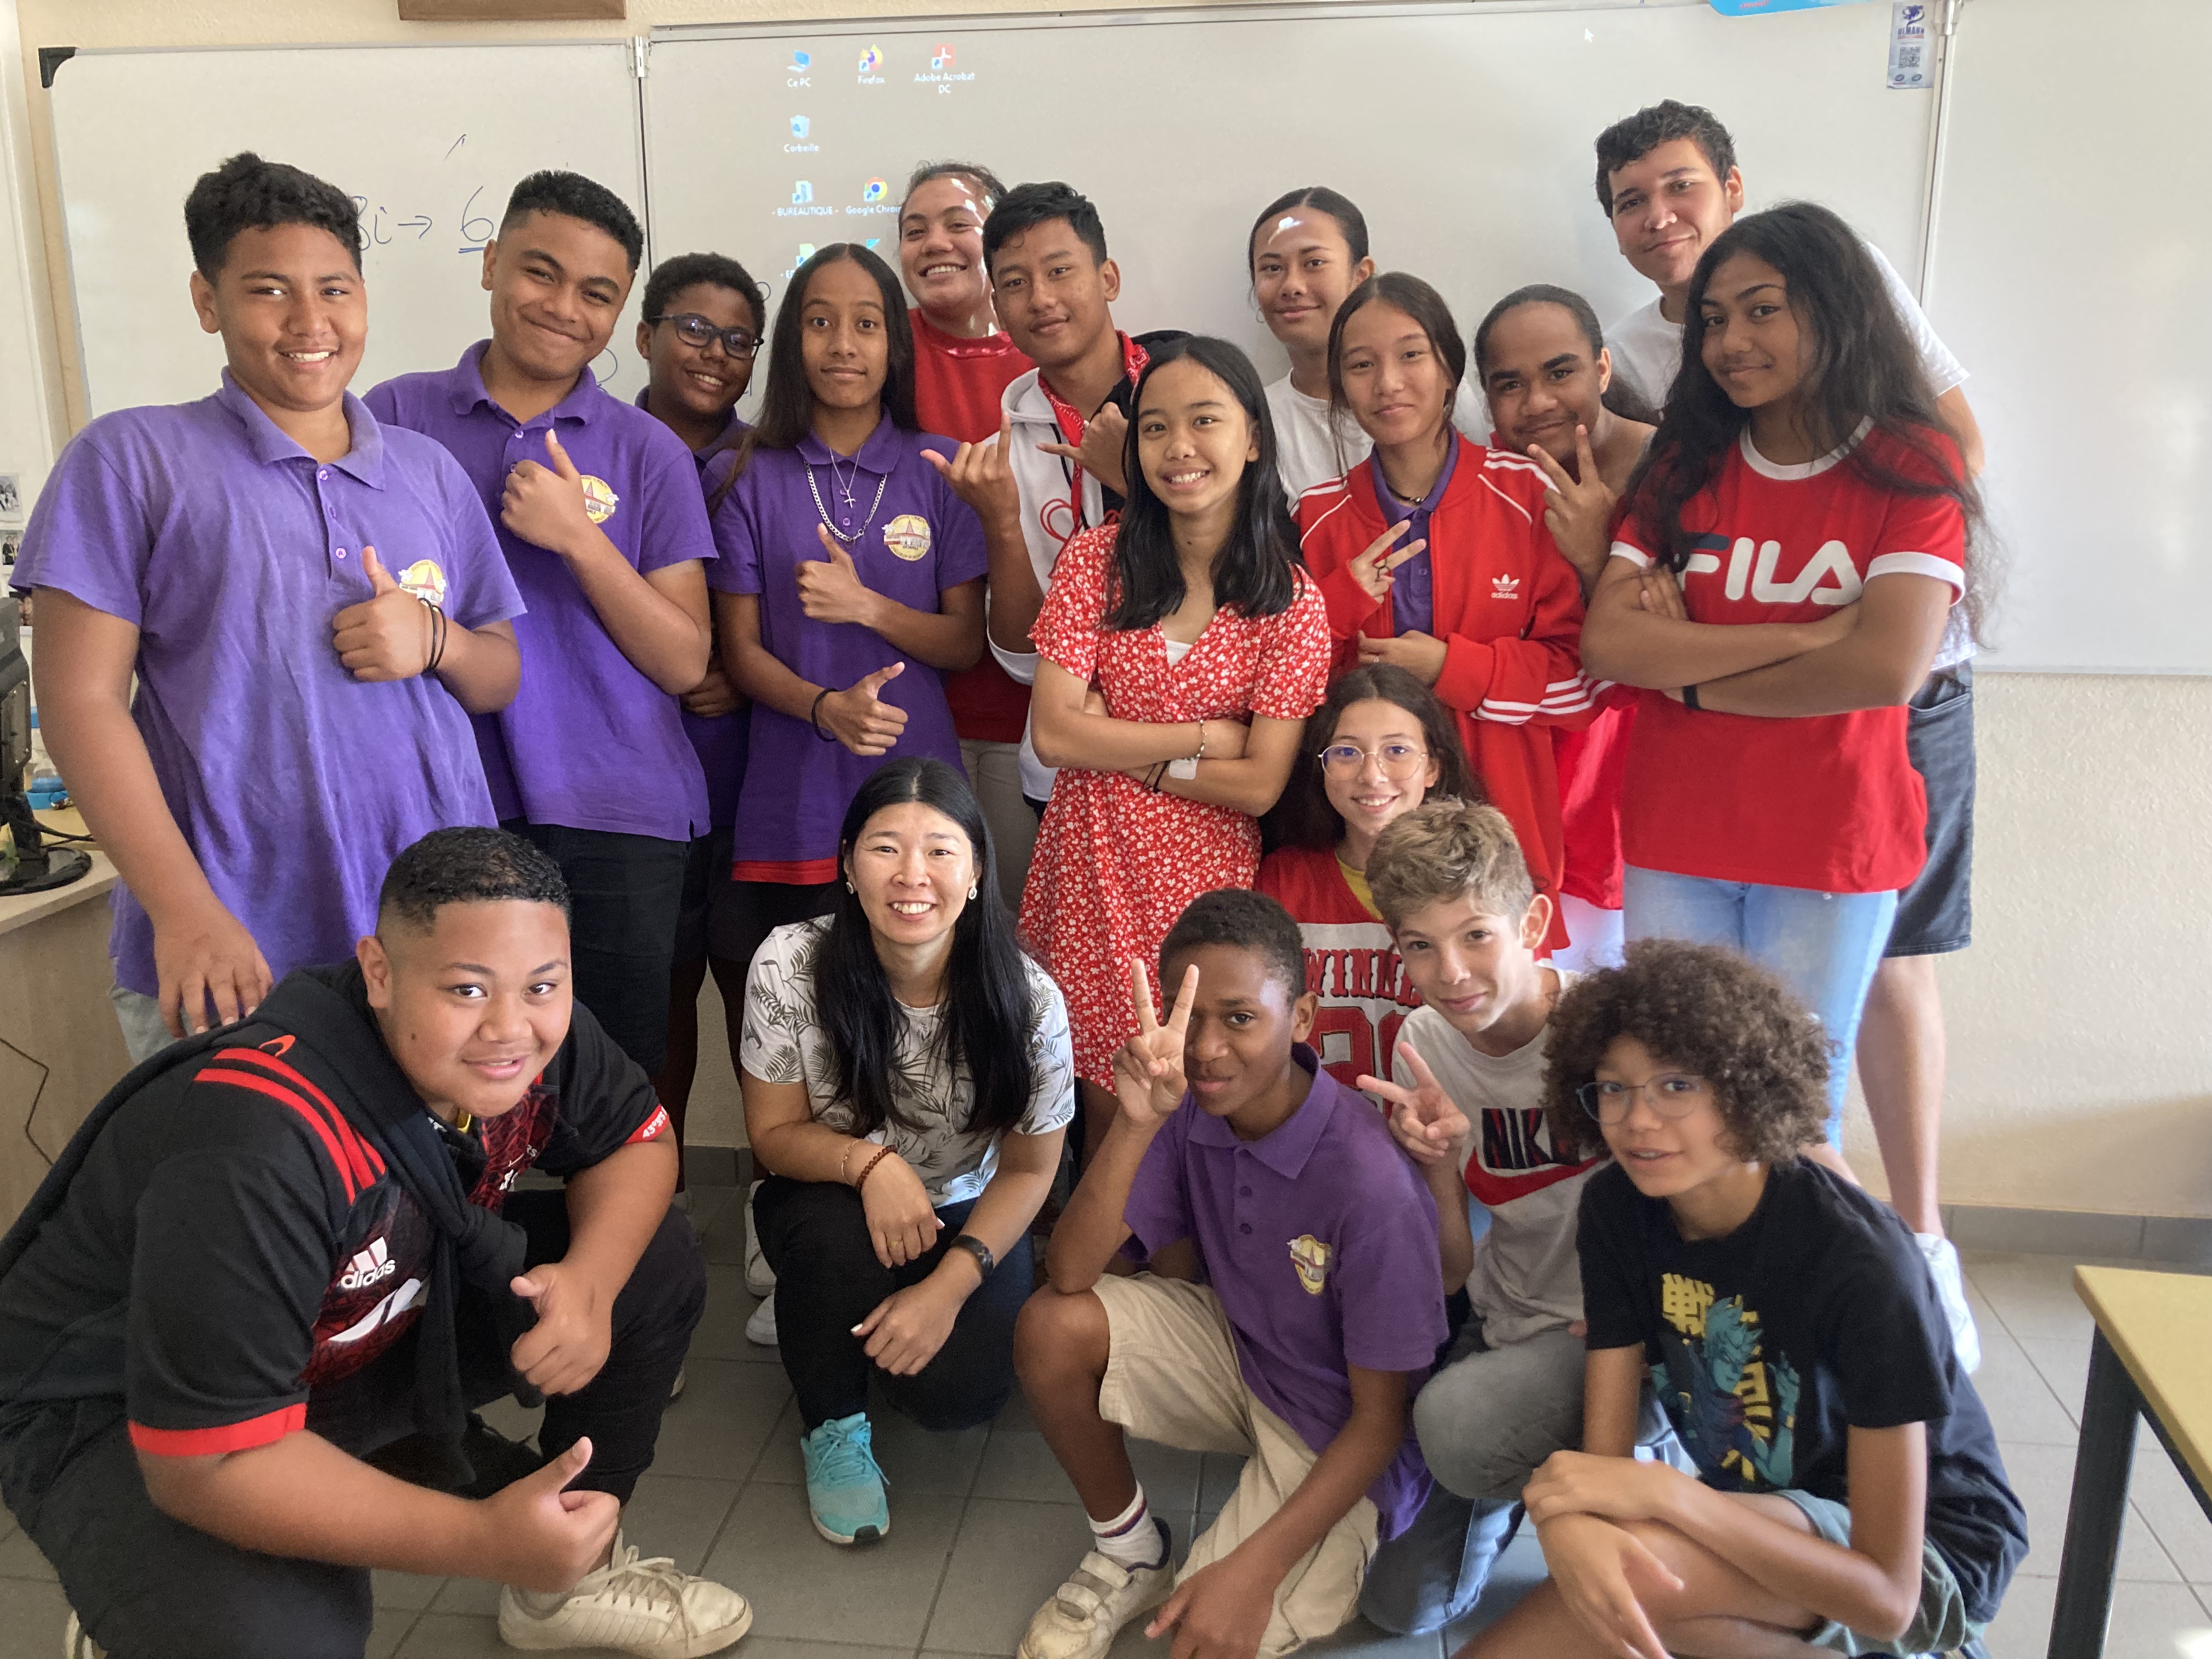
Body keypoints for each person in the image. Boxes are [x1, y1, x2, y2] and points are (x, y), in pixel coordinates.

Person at [0, 827, 753, 1659]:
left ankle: (562, 1585)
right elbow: (203, 1464)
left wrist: (590, 1283)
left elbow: (638, 1143)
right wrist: (481, 1540)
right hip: (134, 1404)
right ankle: (144, 1609)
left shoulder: (547, 1036)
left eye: (543, 984)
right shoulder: (260, 1143)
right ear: (380, 972)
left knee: (649, 1261)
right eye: (467, 990)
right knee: (276, 1637)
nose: (511, 1028)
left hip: (352, 1324)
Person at [1592, 100, 1988, 1368]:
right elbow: (1615, 643)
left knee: (1788, 1114)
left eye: (1763, 310)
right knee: (1680, 1091)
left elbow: (1887, 666)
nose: (1733, 340)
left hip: (1830, 833)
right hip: (1680, 827)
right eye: (1714, 319)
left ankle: (1852, 1353)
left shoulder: (1909, 460)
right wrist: (1803, 638)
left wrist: (1702, 671)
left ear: (1833, 311)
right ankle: (1710, 1354)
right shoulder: (1684, 465)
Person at [13, 153, 521, 1065]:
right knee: (239, 1160)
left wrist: (433, 637)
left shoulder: (427, 471)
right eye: (269, 290)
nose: (310, 321)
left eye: (335, 289)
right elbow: (81, 701)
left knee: (435, 1162)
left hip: (432, 941)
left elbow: (498, 674)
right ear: (207, 301)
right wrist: (184, 910)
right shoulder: (132, 460)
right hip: (234, 944)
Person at [1462, 940, 2025, 1658]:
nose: (1638, 1120)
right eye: (1612, 1089)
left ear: (1745, 1088)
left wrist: (1669, 1496)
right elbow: (1605, 1469)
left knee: (1629, 1592)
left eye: (1676, 1086)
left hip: (1925, 1556)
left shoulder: (1862, 1260)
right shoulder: (1618, 1205)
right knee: (1605, 1604)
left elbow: (1889, 1598)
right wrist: (1573, 1524)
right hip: (1761, 1511)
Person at [1015, 891, 1446, 1659]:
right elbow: (1070, 1272)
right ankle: (1131, 1550)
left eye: (1240, 1018)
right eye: (1192, 1019)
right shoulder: (1189, 1107)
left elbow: (1380, 1423)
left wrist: (1256, 1568)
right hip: (1245, 1356)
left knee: (1205, 1634)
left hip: (1336, 1428)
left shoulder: (1370, 1183)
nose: (1207, 1049)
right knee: (1051, 1326)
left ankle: (1326, 1544)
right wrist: (1137, 1123)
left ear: (1302, 1018)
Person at [366, 171, 717, 1080]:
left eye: (597, 293)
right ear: (491, 263)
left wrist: (579, 539)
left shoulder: (649, 450)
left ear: (621, 312)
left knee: (612, 1079)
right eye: (539, 272)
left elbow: (685, 660)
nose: (564, 307)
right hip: (450, 798)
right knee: (452, 1076)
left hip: (619, 807)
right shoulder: (394, 417)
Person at [738, 758, 1073, 1545]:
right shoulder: (789, 963)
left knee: (956, 1401)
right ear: (849, 865)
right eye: (885, 848)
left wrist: (948, 1290)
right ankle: (832, 1418)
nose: (912, 875)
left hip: (966, 1207)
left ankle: (850, 1317)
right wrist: (873, 1165)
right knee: (833, 1247)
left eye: (940, 851)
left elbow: (1031, 1169)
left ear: (977, 870)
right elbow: (774, 1135)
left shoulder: (1029, 998)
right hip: (829, 1194)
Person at [1014, 335, 1330, 1159]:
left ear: (1252, 437)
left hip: (1204, 888)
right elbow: (1054, 734)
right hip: (1089, 872)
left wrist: (1125, 747)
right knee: (1102, 1117)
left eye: (1204, 421)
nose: (1178, 447)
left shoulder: (1291, 601)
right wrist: (1201, 740)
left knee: (1199, 1112)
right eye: (1155, 427)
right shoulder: (1096, 559)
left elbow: (1260, 784)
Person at [1348, 801, 1613, 1636]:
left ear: (1531, 924)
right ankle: (1527, 1469)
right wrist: (1437, 1168)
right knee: (1399, 1609)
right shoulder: (1425, 1042)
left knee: (1458, 1423)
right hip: (1509, 1317)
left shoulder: (1610, 1027)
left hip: (1619, 1334)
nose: (1452, 972)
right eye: (1420, 946)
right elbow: (1453, 1270)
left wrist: (1635, 1323)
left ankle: (1629, 1465)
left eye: (1475, 936)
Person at [1297, 273, 1601, 956]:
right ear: (1340, 388)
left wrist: (1453, 668)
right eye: (1361, 365)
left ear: (1449, 371)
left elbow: (1582, 681)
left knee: (1495, 1012)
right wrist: (1339, 605)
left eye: (1411, 355)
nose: (1388, 383)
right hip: (1360, 852)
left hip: (1506, 843)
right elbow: (1287, 694)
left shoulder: (1531, 495)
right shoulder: (1315, 518)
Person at [708, 242, 986, 985]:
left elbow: (965, 642)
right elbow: (741, 651)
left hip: (920, 804)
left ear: (895, 344)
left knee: (922, 1024)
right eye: (820, 322)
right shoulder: (746, 474)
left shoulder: (940, 469)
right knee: (797, 1024)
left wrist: (866, 606)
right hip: (792, 802)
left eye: (866, 324)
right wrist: (826, 708)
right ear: (792, 343)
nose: (842, 345)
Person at [928, 180, 1186, 815]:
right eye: (1015, 283)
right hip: (1066, 778)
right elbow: (1022, 663)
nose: (1040, 299)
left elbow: (1250, 575)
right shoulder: (1002, 454)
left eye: (1060, 271)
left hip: (1197, 759)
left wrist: (1128, 480)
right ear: (997, 304)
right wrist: (1001, 523)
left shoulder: (1192, 400)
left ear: (1108, 278)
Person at [1472, 284, 1657, 975]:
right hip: (1523, 771)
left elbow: (1671, 646)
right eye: (1510, 384)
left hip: (1635, 778)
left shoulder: (1675, 471)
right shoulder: (1485, 481)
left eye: (1560, 372)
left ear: (1602, 368)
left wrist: (1594, 558)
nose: (1538, 401)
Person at [633, 250, 767, 1198]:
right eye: (693, 329)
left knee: (764, 1006)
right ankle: (658, 1207)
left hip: (751, 784)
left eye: (739, 340)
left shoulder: (771, 461)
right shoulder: (594, 450)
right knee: (657, 1011)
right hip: (634, 789)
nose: (716, 352)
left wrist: (744, 675)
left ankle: (774, 1219)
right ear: (645, 336)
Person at [897, 160, 1039, 906]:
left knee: (1020, 935)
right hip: (911, 710)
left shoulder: (1049, 353)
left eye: (959, 224)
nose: (935, 243)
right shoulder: (879, 351)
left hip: (1034, 715)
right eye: (915, 229)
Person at [1255, 664, 1473, 1093]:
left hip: (1443, 1125)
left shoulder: (1477, 882)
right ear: (1321, 768)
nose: (1372, 776)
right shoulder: (1284, 879)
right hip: (1315, 1123)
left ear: (1433, 768)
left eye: (1397, 750)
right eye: (1347, 753)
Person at [1245, 187, 1486, 501]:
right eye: (1272, 268)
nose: (1292, 286)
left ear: (1361, 276)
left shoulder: (1434, 390)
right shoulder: (1256, 418)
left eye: (1314, 262)